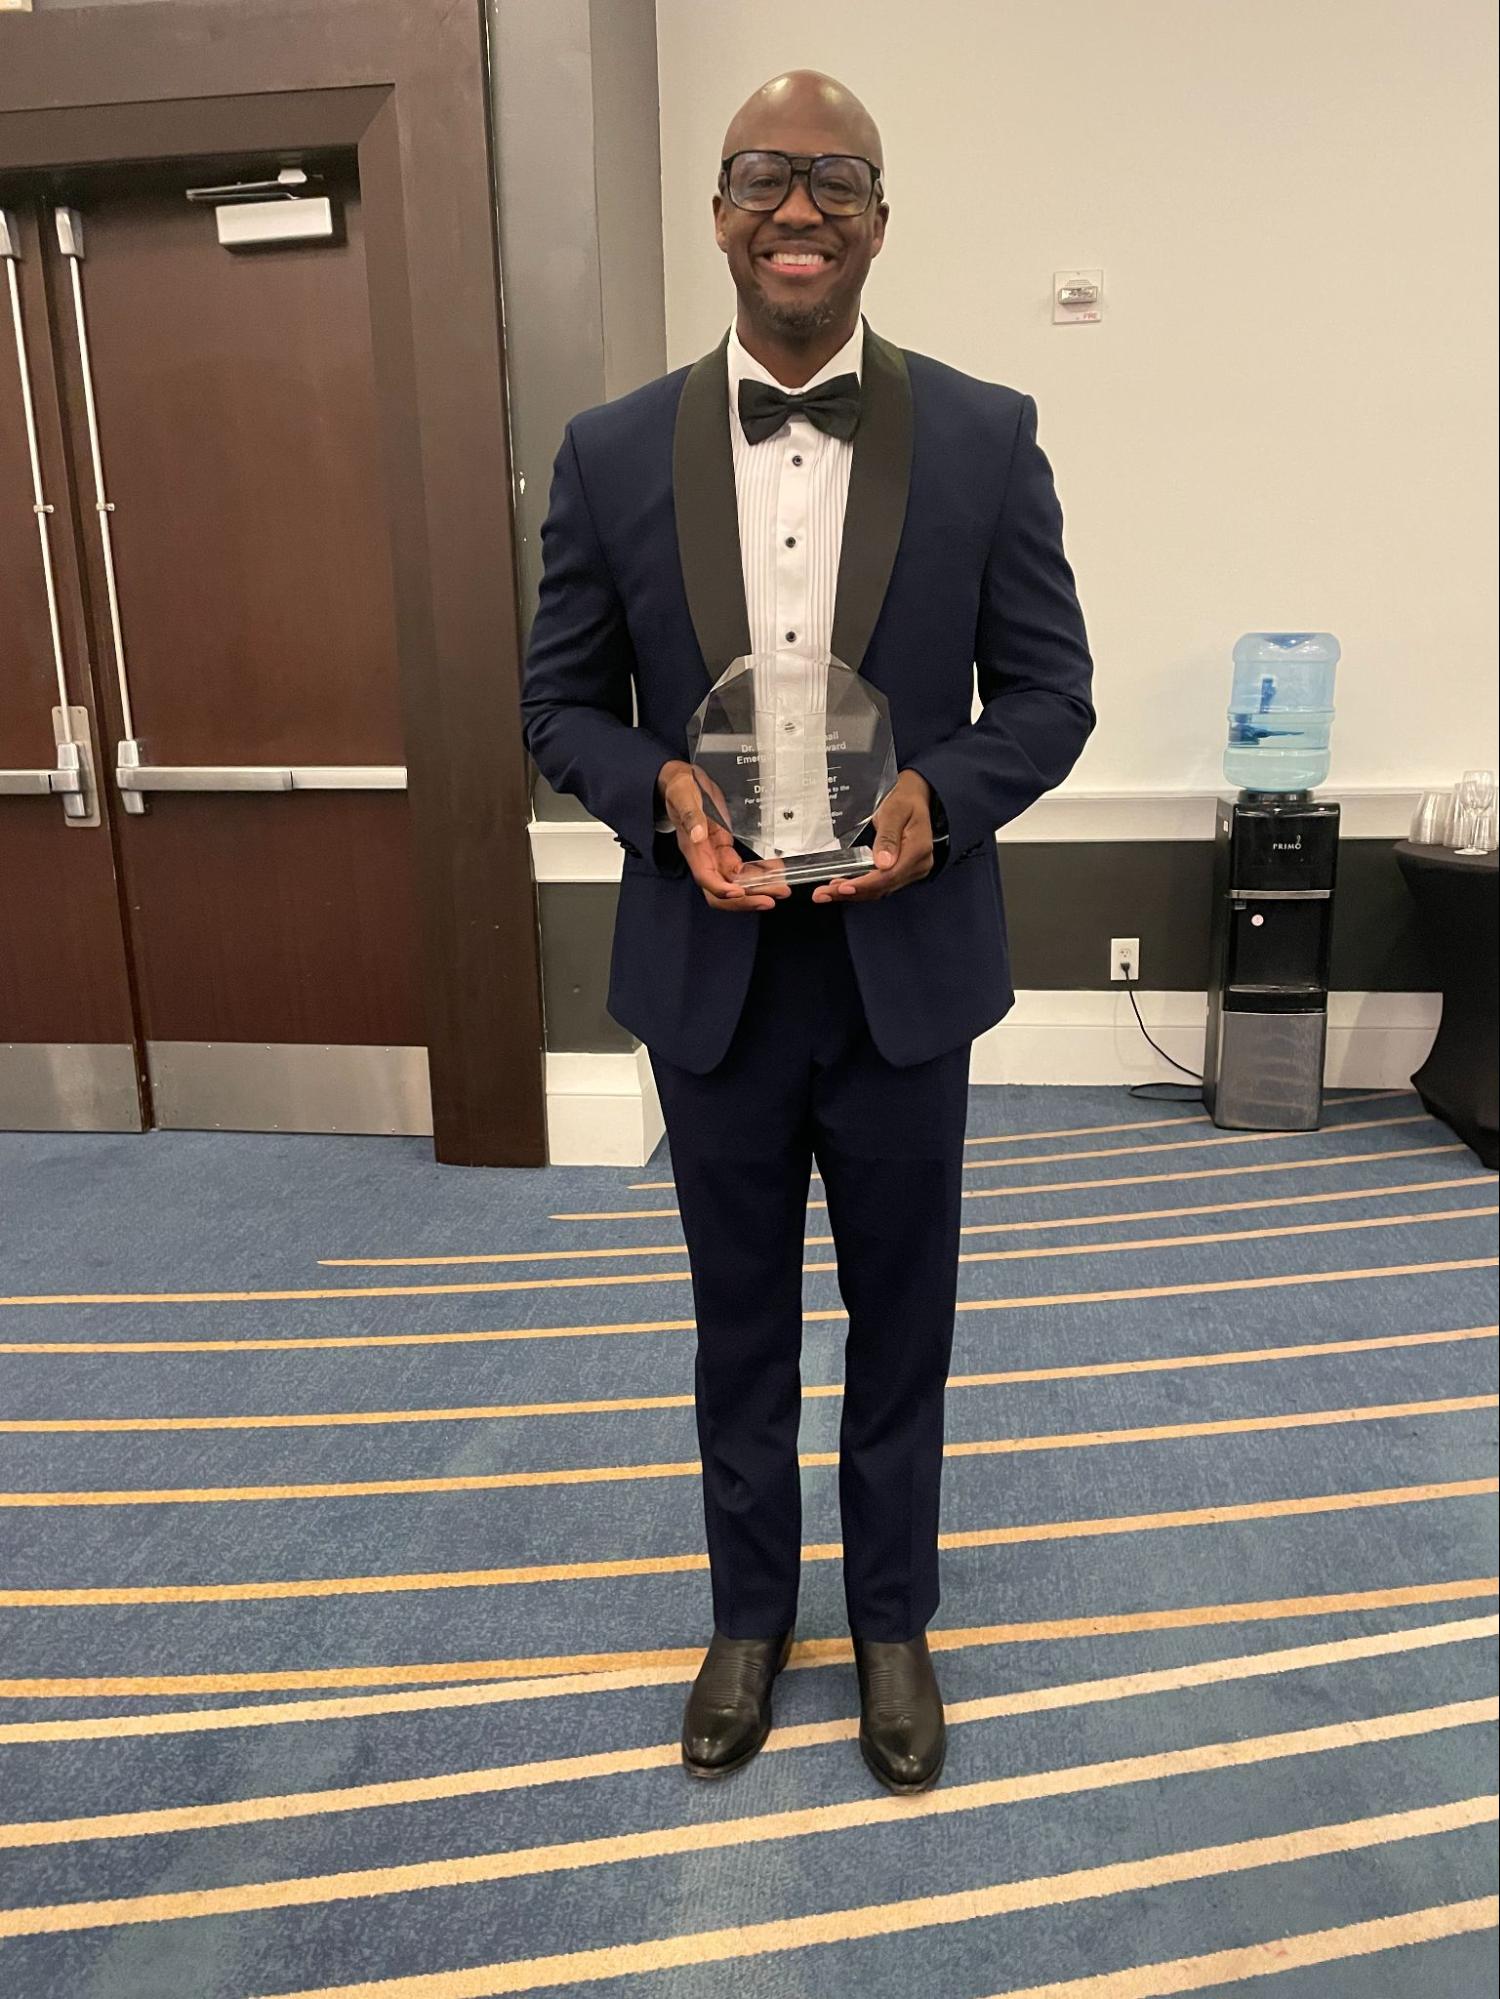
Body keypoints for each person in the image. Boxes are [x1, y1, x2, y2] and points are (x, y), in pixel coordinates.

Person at [521, 69, 1094, 1794]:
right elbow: (557, 706)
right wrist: (659, 797)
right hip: (712, 974)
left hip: (903, 971)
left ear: (878, 221)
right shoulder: (609, 450)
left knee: (905, 1316)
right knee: (740, 1322)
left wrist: (942, 796)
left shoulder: (986, 433)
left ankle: (895, 1621)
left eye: (836, 182)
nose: (798, 210)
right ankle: (752, 1620)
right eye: (766, 176)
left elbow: (1049, 695)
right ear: (718, 210)